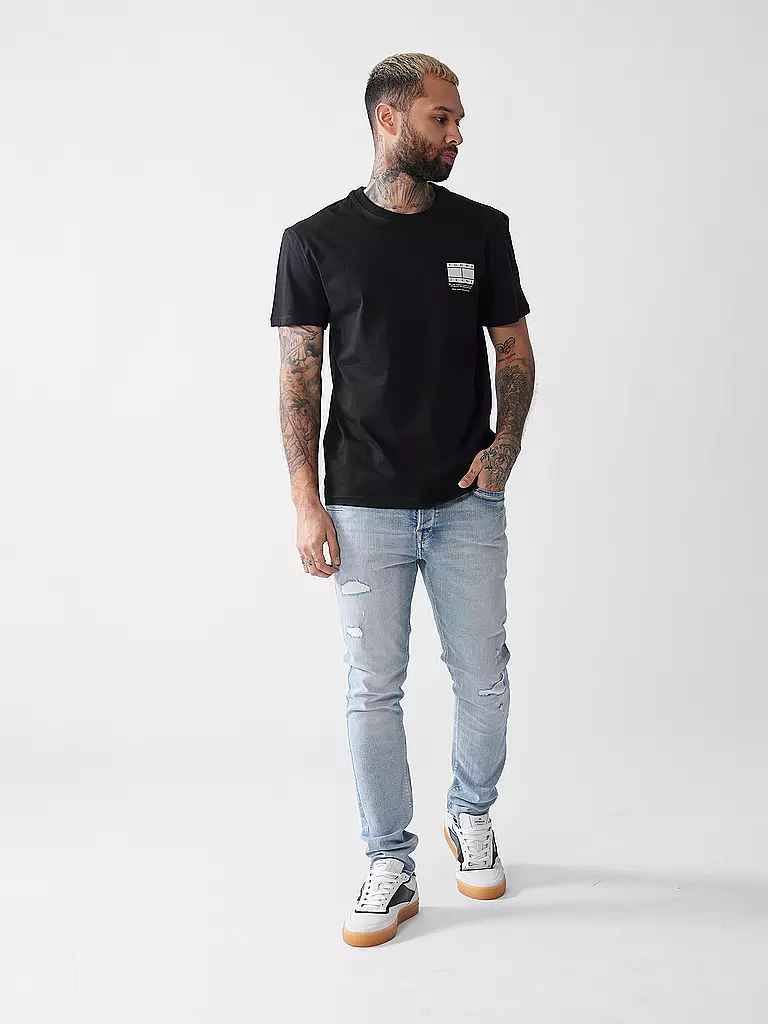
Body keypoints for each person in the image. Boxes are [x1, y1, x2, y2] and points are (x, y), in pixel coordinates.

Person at [270, 52, 535, 947]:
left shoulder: (482, 230)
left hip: (466, 505)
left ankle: (472, 811)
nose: (456, 134)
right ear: (390, 120)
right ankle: (390, 860)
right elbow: (298, 377)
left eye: (457, 120)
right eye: (440, 118)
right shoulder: (314, 241)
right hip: (363, 507)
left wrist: (504, 447)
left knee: (485, 677)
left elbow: (515, 351)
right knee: (373, 690)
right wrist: (306, 503)